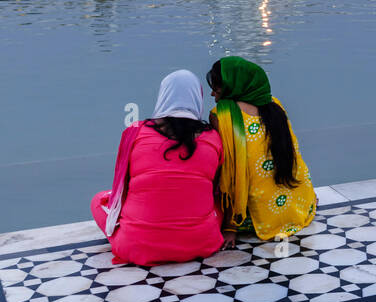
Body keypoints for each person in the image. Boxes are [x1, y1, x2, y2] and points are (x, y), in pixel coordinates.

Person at [91, 70, 224, 266]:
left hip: (136, 246)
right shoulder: (213, 137)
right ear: (198, 98)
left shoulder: (135, 132)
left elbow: (123, 188)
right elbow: (214, 187)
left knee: (98, 200)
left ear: (163, 96)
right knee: (216, 206)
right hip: (201, 243)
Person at [207, 56, 317, 245]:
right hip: (297, 207)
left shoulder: (222, 114)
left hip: (249, 218)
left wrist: (230, 226)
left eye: (216, 87)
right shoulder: (275, 106)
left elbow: (230, 174)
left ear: (233, 85)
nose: (212, 93)